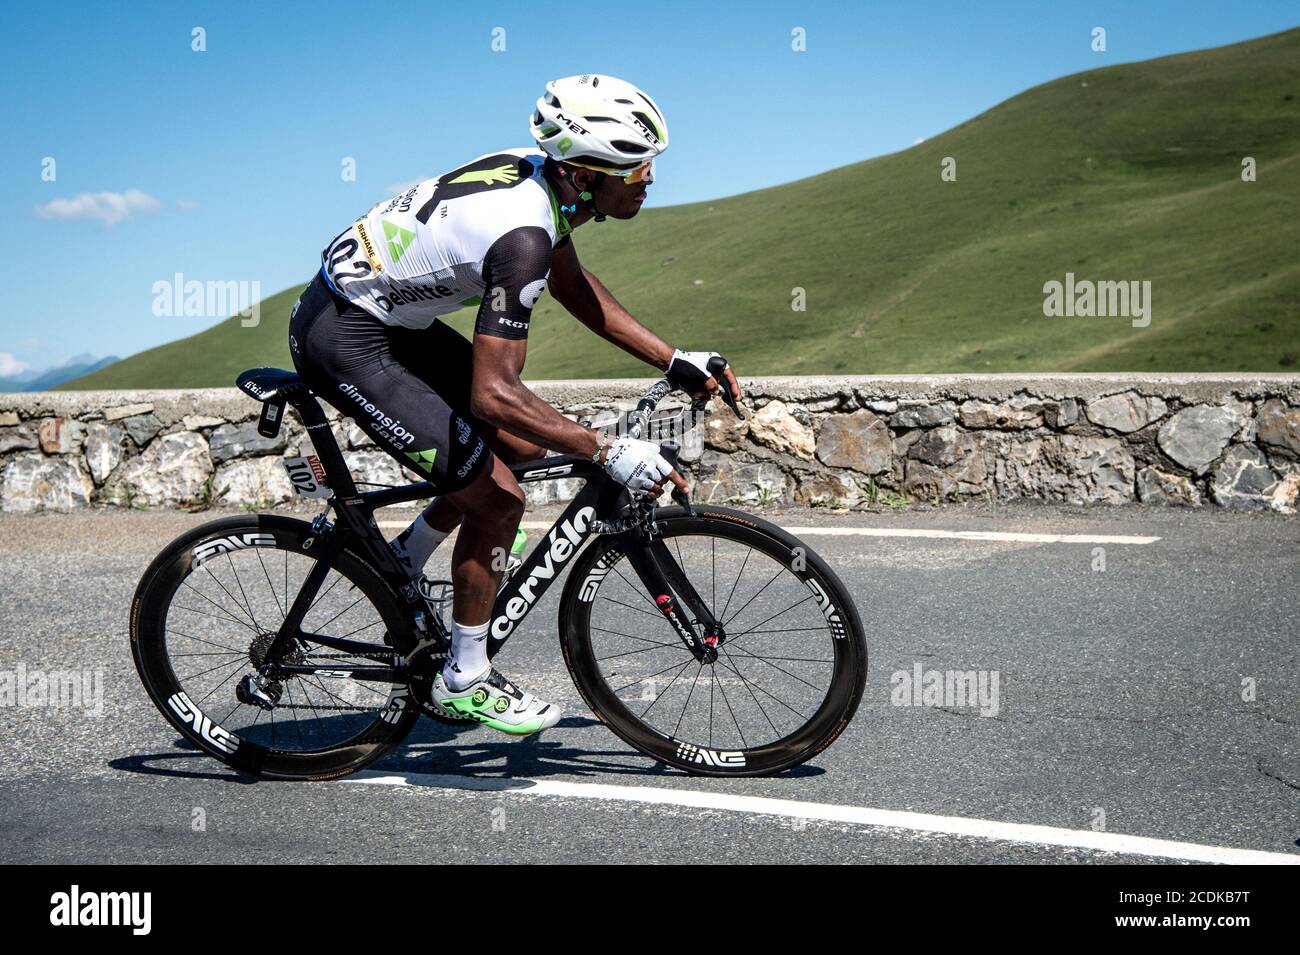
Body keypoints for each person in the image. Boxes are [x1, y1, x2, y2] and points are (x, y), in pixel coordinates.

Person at [288, 74, 742, 735]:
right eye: (634, 166)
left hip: (386, 321)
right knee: (499, 496)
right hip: (345, 337)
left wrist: (671, 358)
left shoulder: (542, 184)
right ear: (586, 174)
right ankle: (464, 678)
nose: (648, 177)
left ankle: (404, 560)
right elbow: (493, 392)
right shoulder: (523, 232)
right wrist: (608, 450)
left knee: (523, 450)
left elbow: (573, 286)